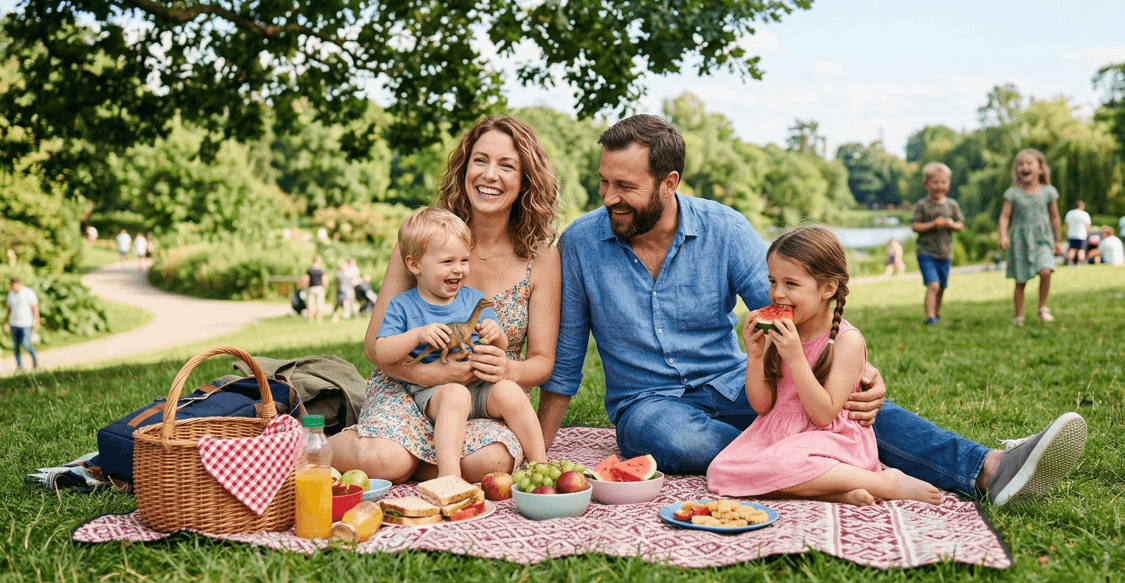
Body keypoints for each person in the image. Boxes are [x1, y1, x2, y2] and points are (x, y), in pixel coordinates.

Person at [537, 114, 1086, 506]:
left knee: (842, 413)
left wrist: (858, 368)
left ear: (669, 182)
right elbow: (566, 359)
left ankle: (988, 467)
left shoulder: (723, 228)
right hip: (648, 405)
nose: (608, 196)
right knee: (678, 439)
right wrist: (538, 454)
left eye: (624, 186)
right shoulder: (582, 242)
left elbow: (792, 306)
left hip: (734, 382)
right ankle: (844, 474)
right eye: (605, 181)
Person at [328, 115, 562, 483]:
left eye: (507, 165)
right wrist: (428, 373)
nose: (489, 175)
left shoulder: (542, 257)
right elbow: (375, 347)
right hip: (408, 387)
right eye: (480, 160)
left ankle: (417, 461)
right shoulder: (424, 238)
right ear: (464, 167)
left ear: (525, 180)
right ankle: (313, 447)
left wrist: (508, 370)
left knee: (491, 463)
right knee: (386, 461)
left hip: (486, 398)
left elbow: (542, 362)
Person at [708, 227, 941, 506]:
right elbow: (761, 405)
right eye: (772, 281)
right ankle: (834, 492)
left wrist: (794, 357)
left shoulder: (847, 341)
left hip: (830, 439)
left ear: (827, 288)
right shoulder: (780, 332)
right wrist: (755, 357)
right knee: (720, 472)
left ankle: (883, 481)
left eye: (790, 284)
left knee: (784, 464)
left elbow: (823, 415)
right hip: (777, 434)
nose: (777, 293)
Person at [375, 207, 550, 479]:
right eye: (447, 262)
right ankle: (450, 478)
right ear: (414, 265)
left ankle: (541, 466)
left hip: (479, 387)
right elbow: (381, 350)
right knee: (455, 395)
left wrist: (496, 332)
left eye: (464, 260)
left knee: (509, 391)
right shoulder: (404, 305)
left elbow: (501, 345)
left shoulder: (472, 299)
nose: (458, 269)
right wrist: (417, 335)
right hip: (433, 392)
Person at [998, 148, 1064, 326]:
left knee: (1046, 270)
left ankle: (1042, 307)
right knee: (1020, 280)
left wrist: (1058, 241)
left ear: (1040, 169)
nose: (1024, 167)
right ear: (1016, 170)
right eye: (1020, 164)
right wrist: (1003, 236)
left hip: (1043, 237)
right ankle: (1019, 315)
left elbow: (1055, 217)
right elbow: (1004, 216)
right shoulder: (1012, 193)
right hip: (1020, 239)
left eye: (1029, 163)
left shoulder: (1049, 192)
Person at [910, 162, 963, 325]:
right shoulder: (922, 205)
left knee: (941, 287)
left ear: (949, 184)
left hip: (945, 253)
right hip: (926, 252)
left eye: (943, 182)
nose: (939, 186)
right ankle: (930, 317)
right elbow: (915, 226)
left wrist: (950, 225)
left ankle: (936, 314)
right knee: (933, 284)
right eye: (935, 182)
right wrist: (933, 224)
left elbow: (960, 225)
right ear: (926, 184)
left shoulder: (952, 205)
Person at [4, 277, 40, 370]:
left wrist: (36, 321)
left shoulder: (28, 292)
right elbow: (9, 309)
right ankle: (19, 366)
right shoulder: (10, 294)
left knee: (25, 343)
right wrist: (5, 322)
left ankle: (35, 361)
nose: (14, 288)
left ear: (19, 284)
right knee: (16, 346)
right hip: (14, 323)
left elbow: (35, 307)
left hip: (26, 323)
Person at [1063, 201, 1091, 265]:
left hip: (1071, 234)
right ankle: (1080, 263)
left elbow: (1066, 224)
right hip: (1081, 235)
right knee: (1081, 250)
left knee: (1071, 249)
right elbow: (1088, 226)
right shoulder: (1085, 214)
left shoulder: (1070, 213)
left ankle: (1070, 262)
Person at [302, 255, 327, 324]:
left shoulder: (309, 270)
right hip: (319, 288)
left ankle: (310, 319)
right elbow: (324, 280)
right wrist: (325, 288)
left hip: (311, 288)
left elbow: (306, 279)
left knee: (310, 304)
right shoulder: (321, 270)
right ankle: (319, 320)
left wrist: (305, 288)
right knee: (319, 304)